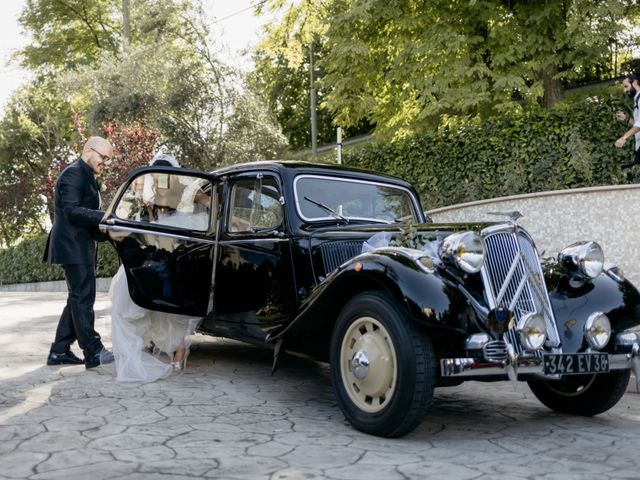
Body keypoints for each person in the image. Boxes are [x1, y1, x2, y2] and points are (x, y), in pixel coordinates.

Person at [105, 153, 204, 382]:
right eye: (156, 177)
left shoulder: (186, 192)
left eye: (164, 176)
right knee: (125, 298)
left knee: (176, 306)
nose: (160, 180)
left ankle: (180, 349)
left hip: (174, 255)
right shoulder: (146, 198)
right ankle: (132, 351)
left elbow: (208, 204)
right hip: (152, 254)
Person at [44, 136, 115, 369]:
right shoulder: (74, 174)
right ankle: (93, 352)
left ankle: (59, 351)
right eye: (103, 157)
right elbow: (72, 211)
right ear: (88, 150)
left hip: (79, 246)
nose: (105, 163)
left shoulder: (87, 176)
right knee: (83, 299)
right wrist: (104, 216)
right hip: (72, 248)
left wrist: (109, 232)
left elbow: (86, 220)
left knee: (76, 299)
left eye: (108, 160)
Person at [614, 73, 640, 167]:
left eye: (626, 86)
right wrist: (626, 119)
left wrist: (624, 138)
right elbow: (638, 124)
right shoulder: (637, 99)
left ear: (635, 83)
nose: (625, 90)